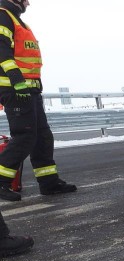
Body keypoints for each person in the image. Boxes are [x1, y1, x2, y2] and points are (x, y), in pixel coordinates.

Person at [0, 0, 76, 202]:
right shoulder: (3, 16)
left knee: (42, 136)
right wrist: (16, 81)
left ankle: (49, 182)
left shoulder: (18, 22)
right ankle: (1, 181)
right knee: (24, 136)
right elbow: (2, 52)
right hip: (15, 89)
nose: (28, 3)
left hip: (30, 90)